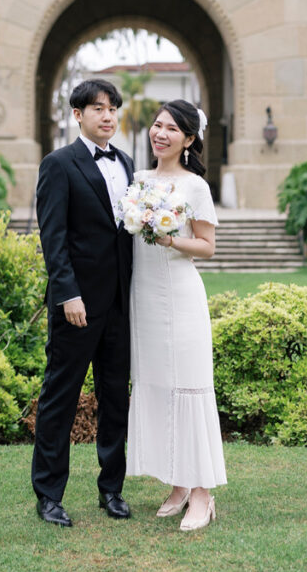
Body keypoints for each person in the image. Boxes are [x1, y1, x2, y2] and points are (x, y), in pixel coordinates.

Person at [31, 79, 135, 528]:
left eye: (113, 108)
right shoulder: (59, 164)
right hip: (76, 305)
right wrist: (68, 293)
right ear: (78, 115)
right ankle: (49, 496)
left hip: (119, 305)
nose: (108, 116)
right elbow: (53, 239)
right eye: (98, 108)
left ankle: (111, 490)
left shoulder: (128, 163)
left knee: (115, 399)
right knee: (61, 398)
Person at [124, 99, 227, 531]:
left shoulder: (195, 187)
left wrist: (170, 241)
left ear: (188, 140)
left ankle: (202, 493)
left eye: (171, 129)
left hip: (181, 296)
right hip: (143, 297)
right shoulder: (139, 180)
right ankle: (177, 484)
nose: (159, 133)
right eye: (156, 125)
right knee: (159, 386)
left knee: (188, 385)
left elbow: (206, 246)